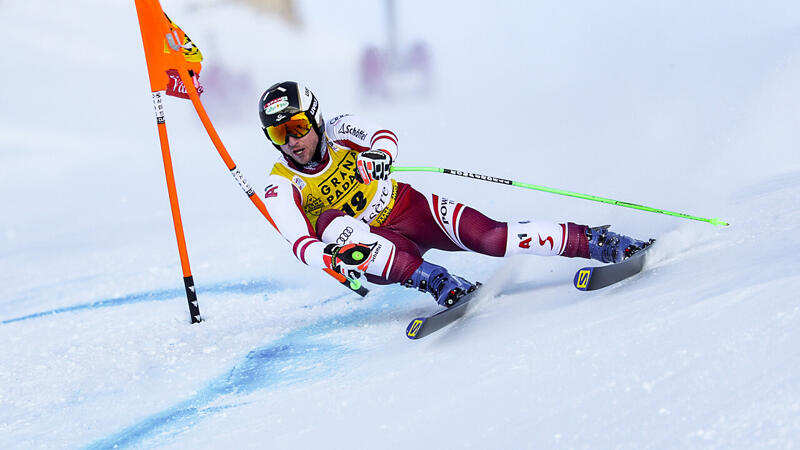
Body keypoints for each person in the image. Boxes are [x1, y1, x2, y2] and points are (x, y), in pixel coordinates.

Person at [259, 81, 650, 307]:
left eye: (297, 127)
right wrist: (330, 257)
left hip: (408, 209)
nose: (291, 141)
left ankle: (596, 241)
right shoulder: (281, 183)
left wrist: (380, 156)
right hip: (378, 249)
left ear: (315, 119)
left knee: (492, 238)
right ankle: (435, 280)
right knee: (328, 223)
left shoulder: (339, 129)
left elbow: (383, 136)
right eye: (279, 133)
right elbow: (300, 242)